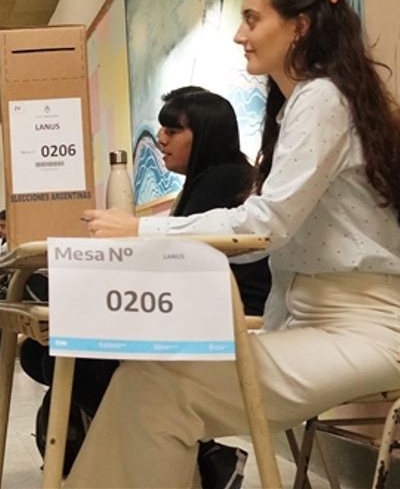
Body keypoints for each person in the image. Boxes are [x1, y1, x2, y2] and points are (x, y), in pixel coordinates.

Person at [71, 0, 400, 488]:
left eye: (252, 19)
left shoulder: (322, 98)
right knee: (149, 380)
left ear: (299, 26)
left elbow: (267, 223)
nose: (240, 35)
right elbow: (270, 239)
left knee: (156, 385)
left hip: (370, 331)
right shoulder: (306, 104)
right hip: (324, 324)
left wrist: (141, 230)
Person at [18, 85, 269, 484]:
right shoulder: (211, 180)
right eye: (162, 129)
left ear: (205, 135)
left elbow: (182, 260)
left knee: (64, 356)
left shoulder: (225, 180)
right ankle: (203, 457)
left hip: (224, 316)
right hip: (197, 309)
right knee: (42, 352)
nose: (162, 140)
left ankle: (203, 457)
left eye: (173, 130)